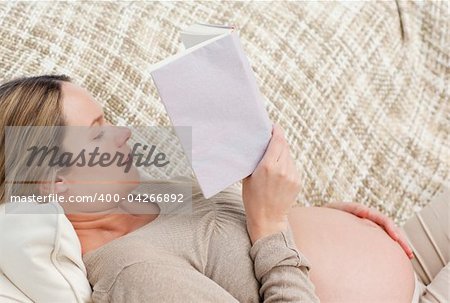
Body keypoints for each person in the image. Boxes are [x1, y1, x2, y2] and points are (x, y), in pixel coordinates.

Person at [0, 75, 447, 302]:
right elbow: (261, 231)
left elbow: (234, 238)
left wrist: (323, 217)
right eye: (98, 133)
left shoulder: (147, 194)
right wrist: (271, 225)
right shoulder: (132, 276)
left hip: (408, 249)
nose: (125, 134)